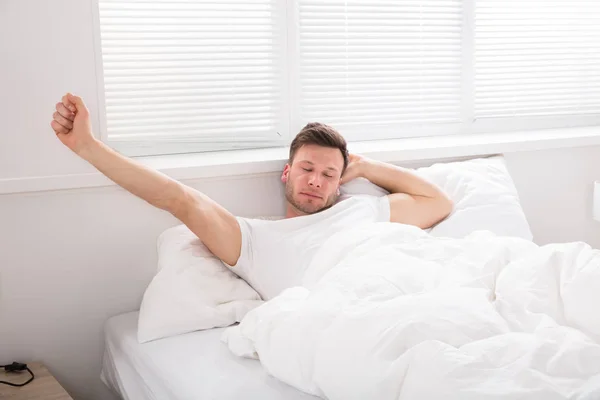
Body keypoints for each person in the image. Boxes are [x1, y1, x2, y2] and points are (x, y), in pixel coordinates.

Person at [51, 93, 454, 299]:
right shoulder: (254, 239)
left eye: (329, 174)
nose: (315, 180)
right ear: (287, 173)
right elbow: (177, 198)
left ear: (340, 182)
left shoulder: (362, 211)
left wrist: (364, 166)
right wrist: (86, 146)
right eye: (307, 169)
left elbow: (438, 203)